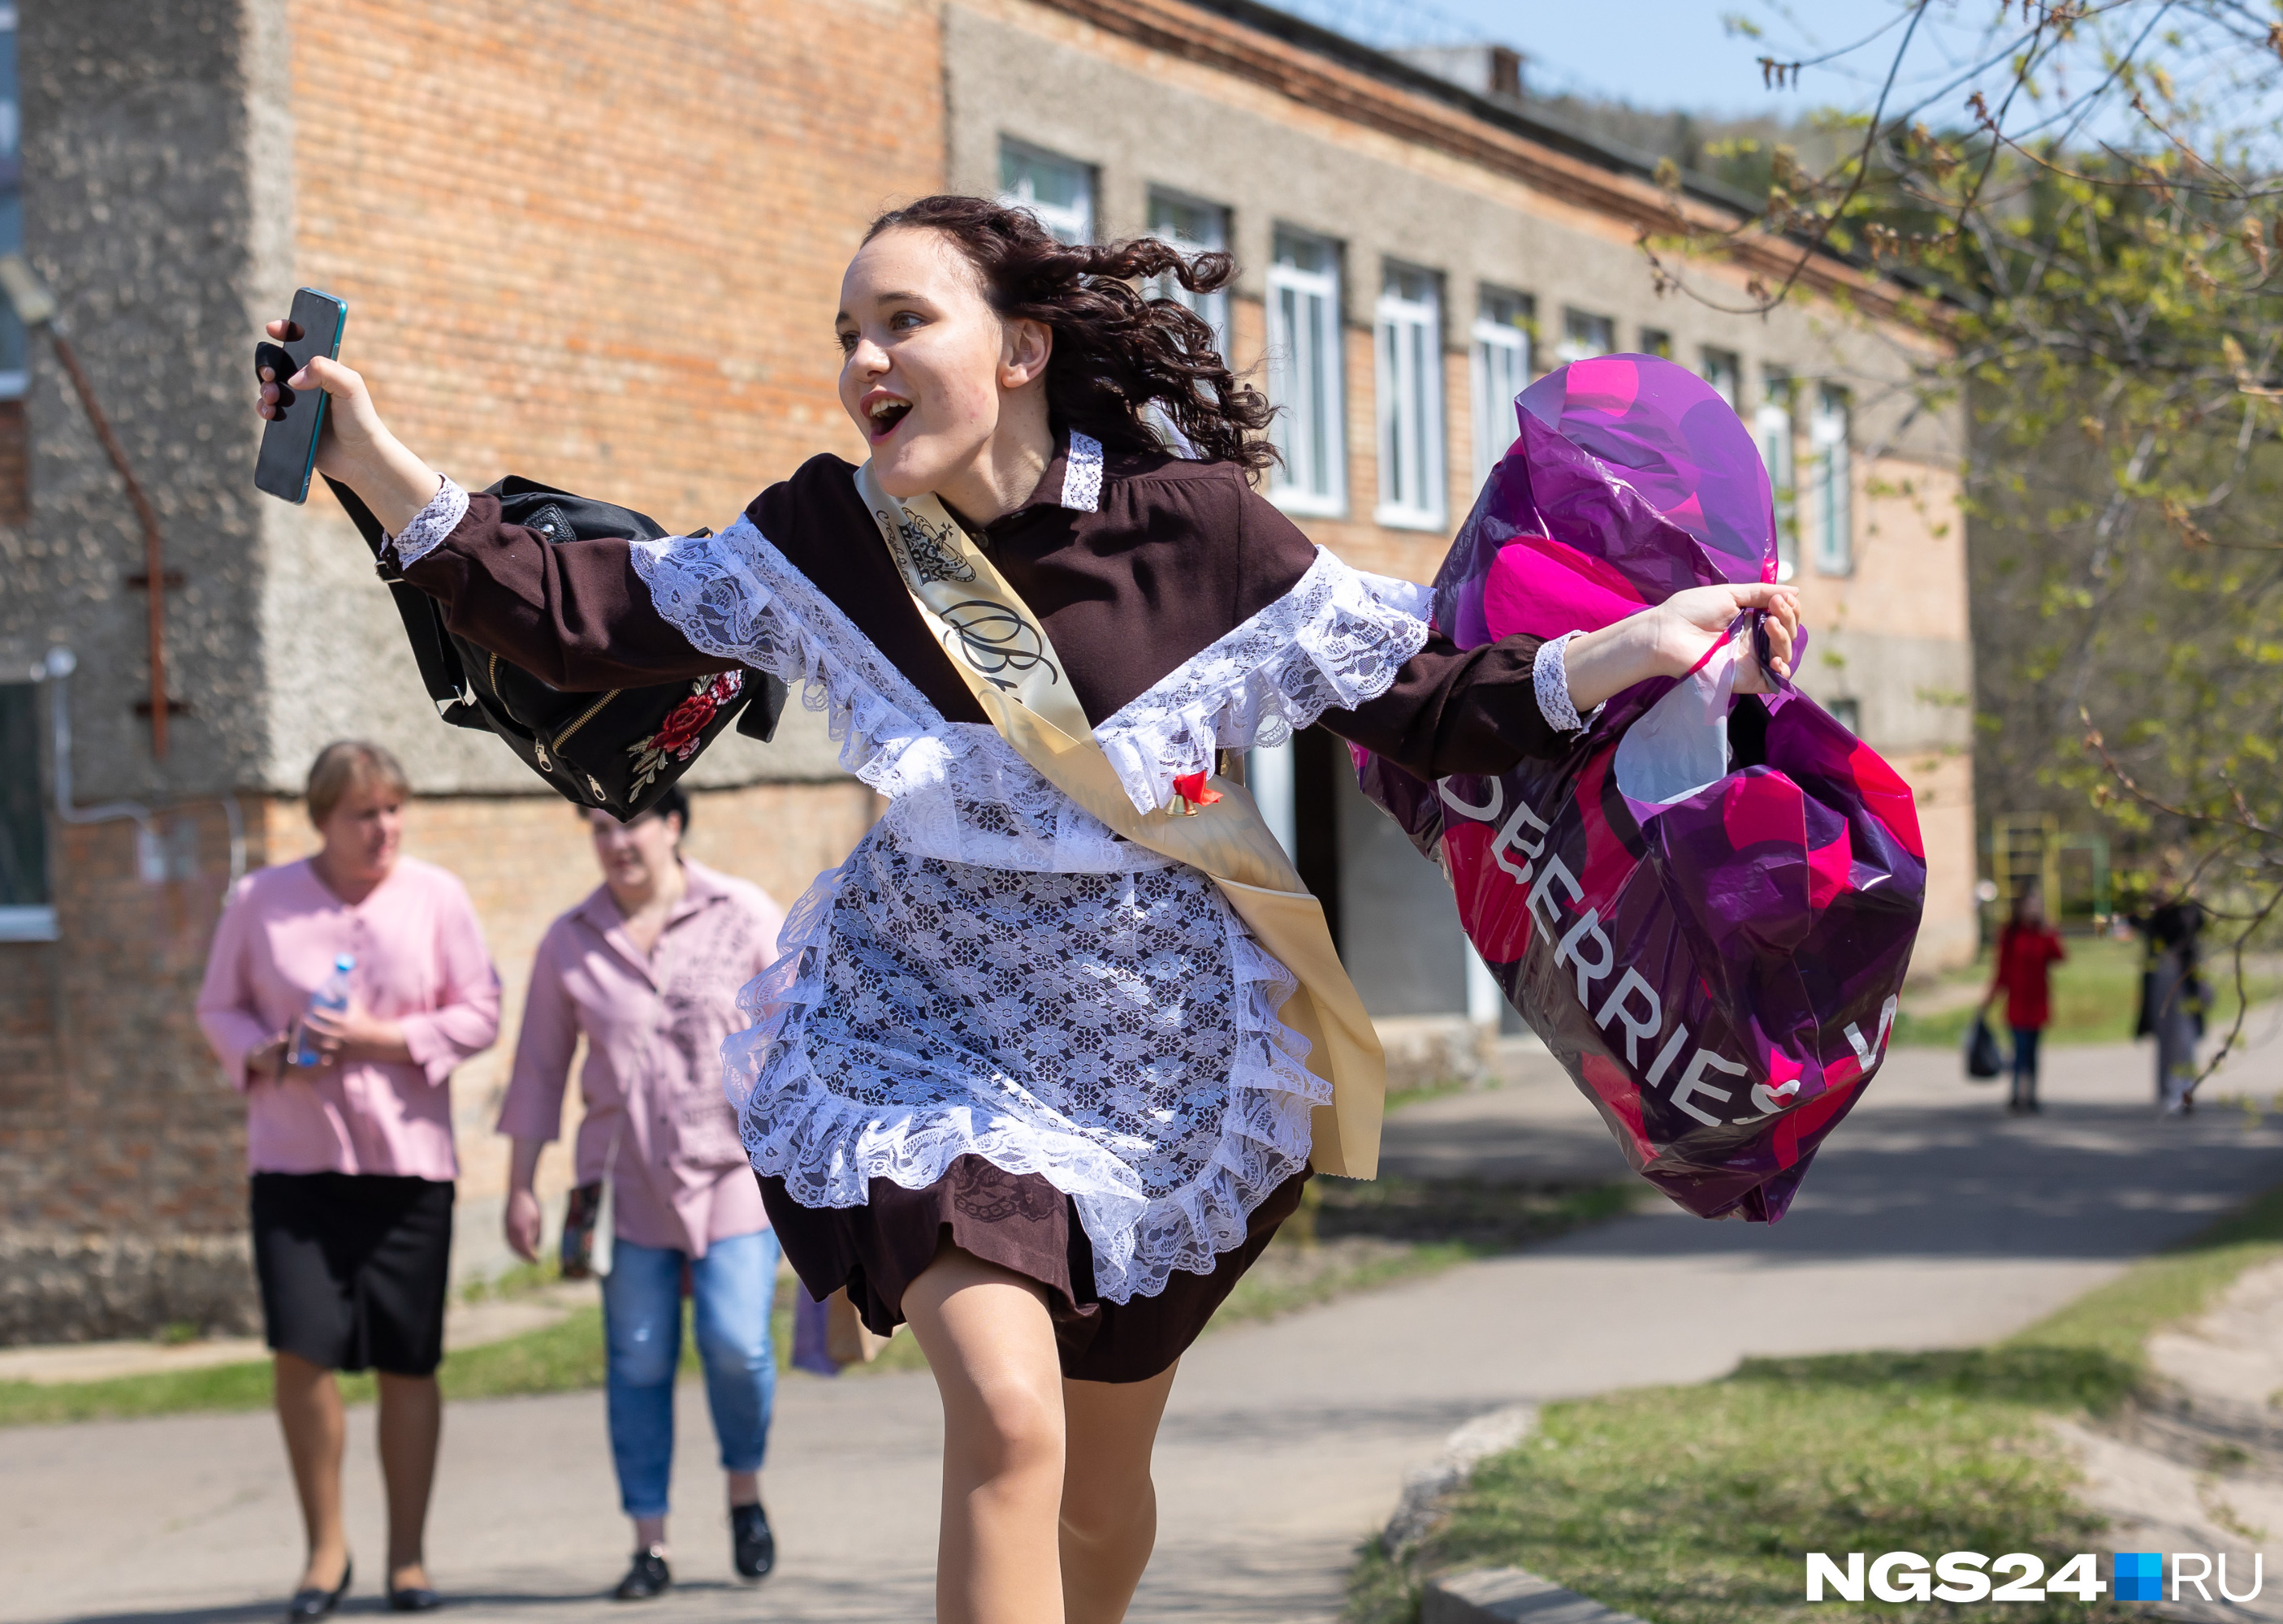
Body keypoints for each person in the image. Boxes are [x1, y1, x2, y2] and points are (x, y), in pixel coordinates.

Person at [255, 195, 1799, 1624]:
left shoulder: (1199, 533)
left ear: (1022, 346)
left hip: (1155, 1060)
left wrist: (1640, 644)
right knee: (1004, 1414)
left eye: (902, 322)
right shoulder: (826, 536)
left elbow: (1427, 698)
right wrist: (369, 455)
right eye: (847, 336)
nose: (864, 361)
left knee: (1102, 1478)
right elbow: (580, 611)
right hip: (920, 1029)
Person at [197, 741, 501, 1620]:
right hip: (295, 1168)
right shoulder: (261, 901)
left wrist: (380, 1039)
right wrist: (262, 1053)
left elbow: (479, 1007)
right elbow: (217, 1006)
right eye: (364, 813)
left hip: (409, 1168)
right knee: (303, 1349)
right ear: (322, 819)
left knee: (409, 1358)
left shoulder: (436, 895)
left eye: (394, 809)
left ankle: (408, 1557)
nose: (385, 828)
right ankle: (324, 1550)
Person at [499, 789, 786, 1600]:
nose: (617, 841)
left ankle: (744, 1492)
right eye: (600, 827)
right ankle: (649, 1542)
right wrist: (520, 1185)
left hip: (731, 1168)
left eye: (631, 822)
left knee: (738, 1344)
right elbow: (539, 1070)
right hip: (625, 1184)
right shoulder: (570, 940)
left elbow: (798, 1026)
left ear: (674, 824)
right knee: (637, 1357)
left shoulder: (741, 911)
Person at [1987, 891, 2064, 1115]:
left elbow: (2059, 957)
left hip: (2038, 1002)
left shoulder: (2043, 934)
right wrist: (1990, 999)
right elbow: (2001, 970)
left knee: (2032, 1052)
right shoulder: (2010, 935)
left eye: (2036, 906)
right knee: (2019, 1050)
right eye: (2029, 906)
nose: (2033, 911)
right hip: (2017, 1003)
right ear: (2019, 909)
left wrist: (2050, 932)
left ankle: (2031, 1095)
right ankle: (2017, 1094)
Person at [2136, 882, 2207, 1115]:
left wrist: (2187, 898)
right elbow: (2144, 926)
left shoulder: (2187, 913)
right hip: (2163, 985)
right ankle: (2171, 1092)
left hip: (2184, 987)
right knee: (2166, 1041)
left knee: (2184, 1042)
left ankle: (2184, 1091)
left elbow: (2195, 923)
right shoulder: (2155, 918)